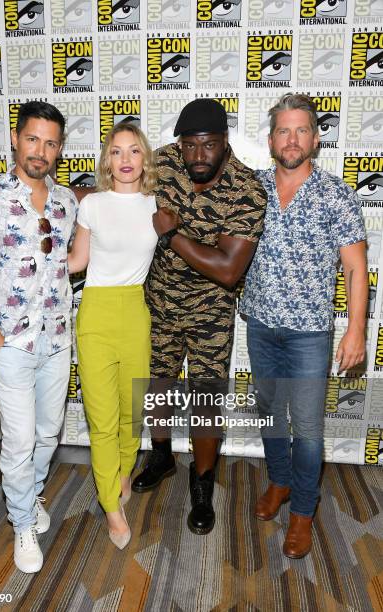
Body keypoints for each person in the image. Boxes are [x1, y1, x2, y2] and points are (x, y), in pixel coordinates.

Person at [131, 98, 267, 535]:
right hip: (159, 302)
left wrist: (171, 234)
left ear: (225, 142)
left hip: (211, 309)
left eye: (207, 145)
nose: (197, 156)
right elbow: (113, 189)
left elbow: (228, 271)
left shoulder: (246, 189)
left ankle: (203, 482)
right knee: (158, 385)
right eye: (189, 146)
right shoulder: (164, 163)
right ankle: (161, 455)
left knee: (206, 401)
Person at [240, 93, 367, 559]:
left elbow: (356, 269)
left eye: (300, 130)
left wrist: (355, 331)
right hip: (259, 326)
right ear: (271, 139)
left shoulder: (337, 195)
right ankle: (279, 483)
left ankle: (303, 514)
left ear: (315, 138)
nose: (291, 139)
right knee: (271, 416)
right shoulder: (252, 189)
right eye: (282, 130)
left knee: (309, 429)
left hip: (310, 335)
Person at [0, 101, 77, 573]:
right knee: (20, 439)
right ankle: (22, 520)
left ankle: (32, 495)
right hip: (10, 343)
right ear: (14, 138)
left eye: (50, 142)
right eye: (32, 139)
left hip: (58, 337)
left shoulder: (66, 201)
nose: (39, 150)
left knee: (48, 433)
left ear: (59, 149)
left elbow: (69, 262)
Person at [68, 123, 158, 549]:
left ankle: (123, 473)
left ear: (144, 159)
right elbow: (77, 262)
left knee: (132, 414)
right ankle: (110, 508)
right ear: (106, 160)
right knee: (102, 422)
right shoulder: (93, 206)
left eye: (134, 151)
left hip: (136, 314)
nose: (125, 159)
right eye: (117, 151)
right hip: (96, 316)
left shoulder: (158, 206)